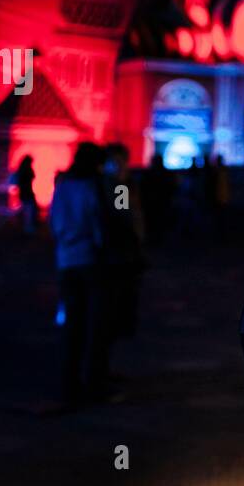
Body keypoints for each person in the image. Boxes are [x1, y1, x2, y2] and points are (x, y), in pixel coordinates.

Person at [50, 142, 109, 407]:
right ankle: (92, 384)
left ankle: (66, 384)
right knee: (93, 325)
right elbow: (97, 224)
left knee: (71, 324)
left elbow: (55, 223)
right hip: (89, 259)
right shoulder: (90, 187)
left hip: (65, 259)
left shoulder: (62, 186)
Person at [100, 143, 145, 357]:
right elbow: (125, 217)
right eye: (116, 162)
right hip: (116, 258)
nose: (119, 167)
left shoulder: (117, 186)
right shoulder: (118, 187)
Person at [10, 155, 38, 235]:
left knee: (26, 209)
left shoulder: (21, 170)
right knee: (29, 210)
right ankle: (28, 227)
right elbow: (32, 177)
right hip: (27, 192)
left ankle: (25, 225)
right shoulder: (27, 170)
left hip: (24, 192)